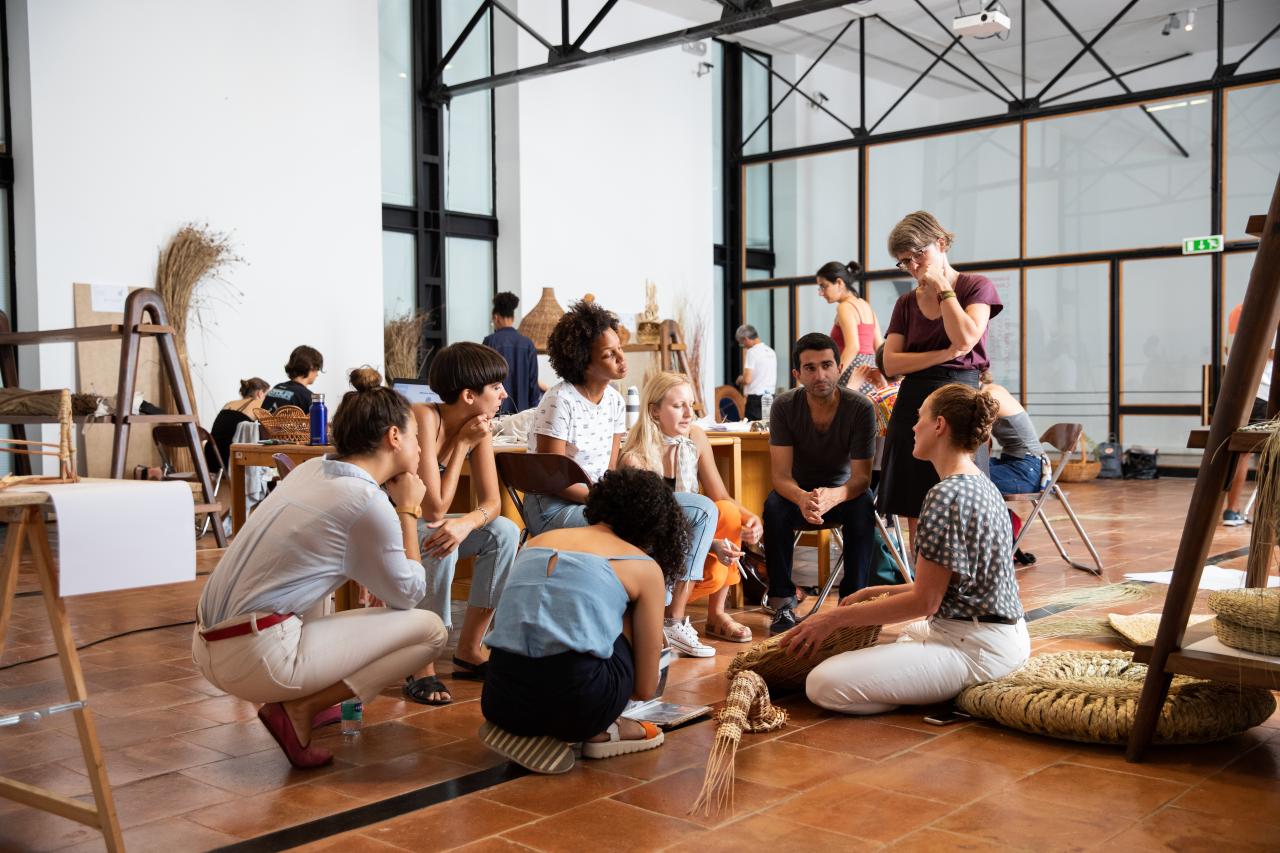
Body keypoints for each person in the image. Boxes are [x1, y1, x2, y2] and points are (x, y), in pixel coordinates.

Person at [192, 367, 446, 769]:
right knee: (430, 630)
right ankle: (301, 708)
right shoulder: (365, 500)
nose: (419, 448)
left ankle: (305, 696)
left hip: (210, 643)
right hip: (255, 656)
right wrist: (408, 510)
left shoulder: (313, 469)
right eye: (416, 436)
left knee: (322, 590)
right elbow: (408, 594)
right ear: (393, 437)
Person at [788, 383, 1029, 715]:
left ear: (939, 425)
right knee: (910, 636)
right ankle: (927, 683)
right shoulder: (980, 482)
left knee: (821, 683)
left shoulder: (944, 495)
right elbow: (946, 586)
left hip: (975, 646)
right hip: (1001, 636)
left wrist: (832, 620)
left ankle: (947, 690)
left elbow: (925, 601)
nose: (913, 427)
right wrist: (876, 591)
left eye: (920, 418)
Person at [479, 469, 690, 774]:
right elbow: (644, 688)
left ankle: (534, 720)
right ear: (657, 525)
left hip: (499, 699)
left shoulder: (536, 541)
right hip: (578, 709)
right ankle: (602, 731)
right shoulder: (643, 567)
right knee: (624, 609)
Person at [400, 343, 520, 706]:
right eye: (496, 387)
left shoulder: (477, 428)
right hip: (394, 530)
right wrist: (464, 445)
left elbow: (493, 504)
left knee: (505, 532)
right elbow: (434, 507)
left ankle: (469, 649)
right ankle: (421, 662)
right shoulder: (423, 416)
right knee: (441, 536)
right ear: (469, 395)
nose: (504, 393)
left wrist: (466, 525)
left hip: (424, 526)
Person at [620, 372, 763, 651]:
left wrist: (751, 519)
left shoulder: (694, 437)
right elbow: (652, 531)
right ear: (654, 411)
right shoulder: (636, 459)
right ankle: (669, 620)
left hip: (689, 556)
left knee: (728, 512)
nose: (689, 414)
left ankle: (716, 615)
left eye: (691, 405)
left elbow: (720, 495)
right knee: (707, 519)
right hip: (655, 560)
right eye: (678, 406)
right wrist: (712, 544)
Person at [879, 211, 1001, 535]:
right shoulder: (906, 303)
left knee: (965, 498)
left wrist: (943, 289)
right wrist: (945, 354)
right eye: (904, 261)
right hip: (915, 403)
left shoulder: (976, 286)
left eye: (918, 254)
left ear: (941, 243)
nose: (913, 266)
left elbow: (964, 337)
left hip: (960, 399)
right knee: (915, 503)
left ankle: (963, 584)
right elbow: (890, 364)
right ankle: (923, 583)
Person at [763, 333, 878, 635]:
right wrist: (803, 498)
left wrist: (834, 496)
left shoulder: (860, 408)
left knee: (864, 503)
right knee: (773, 505)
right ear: (797, 374)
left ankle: (853, 604)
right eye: (810, 368)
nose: (820, 374)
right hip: (799, 496)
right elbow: (780, 477)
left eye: (826, 365)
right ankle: (783, 603)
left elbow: (862, 478)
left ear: (840, 367)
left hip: (844, 494)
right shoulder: (784, 407)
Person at [523, 299, 629, 533]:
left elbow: (609, 467)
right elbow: (553, 479)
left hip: (593, 500)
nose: (621, 358)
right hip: (550, 505)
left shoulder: (615, 401)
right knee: (625, 528)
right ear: (584, 363)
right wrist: (603, 503)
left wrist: (609, 500)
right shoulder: (560, 401)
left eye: (619, 348)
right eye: (609, 355)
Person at [816, 261, 884, 395]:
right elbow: (880, 346)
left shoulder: (844, 307)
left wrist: (834, 374)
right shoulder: (865, 305)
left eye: (824, 286)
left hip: (852, 371)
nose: (821, 293)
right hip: (871, 371)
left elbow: (853, 347)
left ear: (839, 283)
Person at [980, 371, 1046, 496]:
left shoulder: (990, 395)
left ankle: (1005, 516)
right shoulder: (993, 389)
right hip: (1015, 461)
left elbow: (982, 439)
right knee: (963, 471)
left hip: (1028, 469)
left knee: (969, 478)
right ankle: (1007, 516)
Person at [482, 291, 543, 415]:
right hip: (523, 415)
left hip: (496, 414)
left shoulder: (490, 341)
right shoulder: (528, 344)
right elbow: (533, 383)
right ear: (513, 318)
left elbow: (484, 380)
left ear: (496, 317)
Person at [206, 377, 269, 475]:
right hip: (232, 457)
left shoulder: (229, 404)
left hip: (211, 454)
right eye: (266, 395)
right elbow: (270, 427)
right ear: (260, 393)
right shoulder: (259, 403)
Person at [263, 345, 324, 413]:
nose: (317, 374)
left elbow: (261, 416)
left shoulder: (277, 387)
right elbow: (317, 423)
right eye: (317, 369)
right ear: (311, 367)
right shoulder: (308, 397)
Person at [735, 324, 777, 421]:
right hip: (770, 397)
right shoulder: (771, 352)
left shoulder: (752, 352)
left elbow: (747, 379)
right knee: (767, 428)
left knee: (752, 430)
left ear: (746, 339)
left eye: (742, 343)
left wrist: (740, 379)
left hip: (756, 399)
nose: (743, 346)